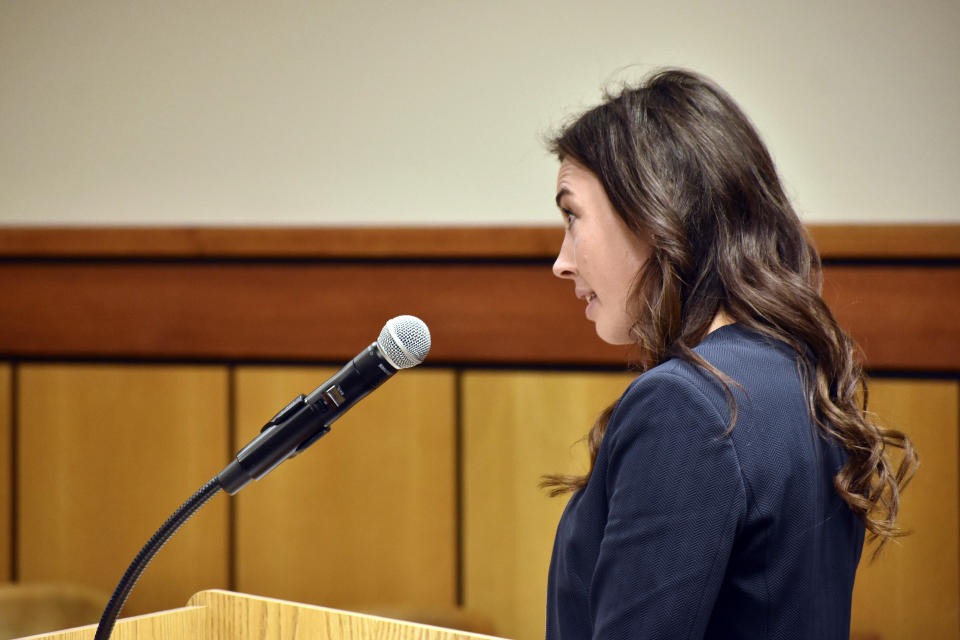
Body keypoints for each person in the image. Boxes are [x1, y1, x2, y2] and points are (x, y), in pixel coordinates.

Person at [542, 68, 918, 639]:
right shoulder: (796, 371)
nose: (561, 261)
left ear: (655, 210)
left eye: (572, 215)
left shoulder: (684, 405)